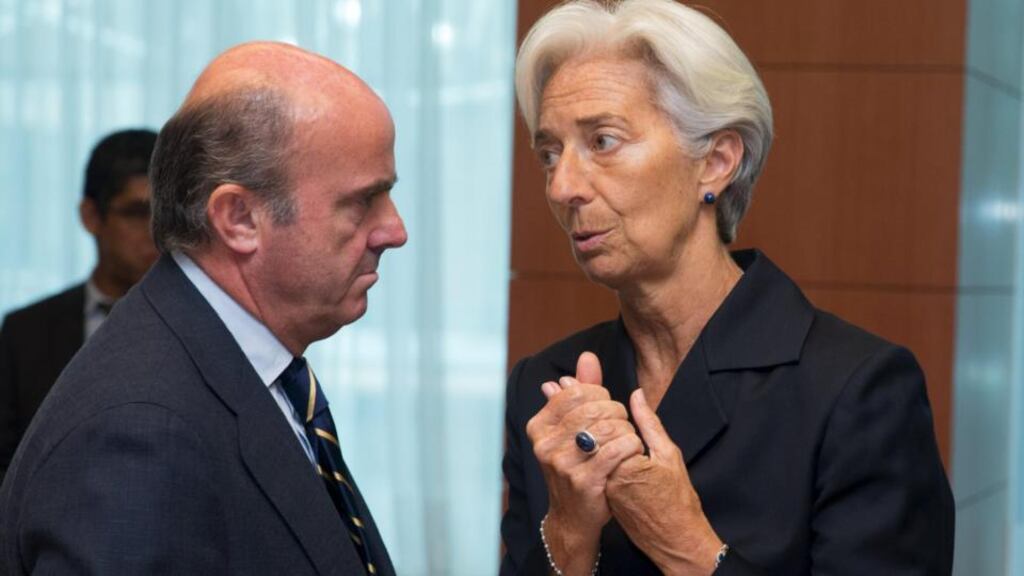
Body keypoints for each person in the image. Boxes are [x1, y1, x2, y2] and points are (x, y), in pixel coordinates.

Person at [500, 1, 955, 575]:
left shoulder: (858, 391)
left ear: (715, 162)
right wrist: (568, 533)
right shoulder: (545, 388)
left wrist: (688, 546)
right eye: (550, 153)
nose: (564, 185)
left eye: (603, 141)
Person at [0, 41, 407, 575]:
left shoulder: (236, 361)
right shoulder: (141, 434)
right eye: (361, 200)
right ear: (238, 219)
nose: (394, 230)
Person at [0, 128, 158, 482]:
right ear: (91, 216)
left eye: (164, 213)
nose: (155, 231)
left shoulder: (207, 323)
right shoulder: (25, 334)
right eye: (136, 212)